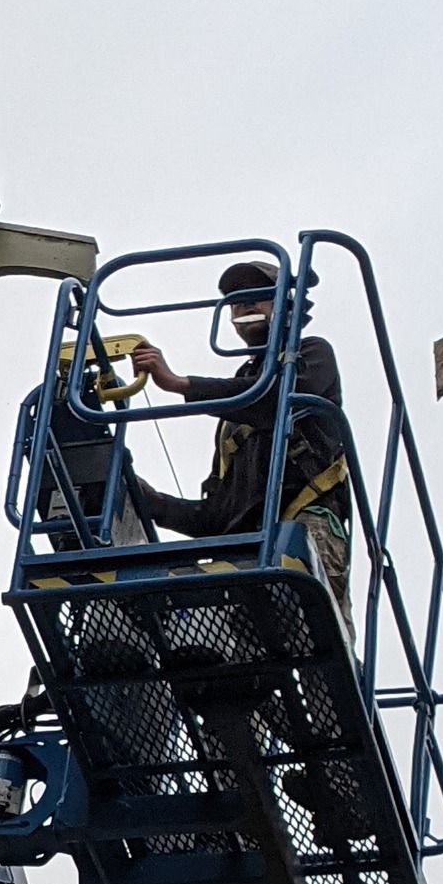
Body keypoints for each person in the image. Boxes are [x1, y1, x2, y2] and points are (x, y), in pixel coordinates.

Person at [129, 258, 354, 626]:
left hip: (305, 525)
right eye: (236, 300)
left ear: (287, 306)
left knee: (317, 627)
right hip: (250, 548)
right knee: (241, 645)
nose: (245, 304)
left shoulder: (313, 354)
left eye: (258, 295)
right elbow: (219, 517)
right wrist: (153, 502)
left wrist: (182, 384)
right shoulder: (234, 417)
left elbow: (275, 401)